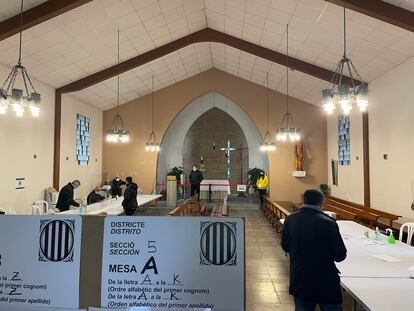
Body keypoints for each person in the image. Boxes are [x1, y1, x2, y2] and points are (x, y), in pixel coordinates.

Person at [281, 189, 347, 311]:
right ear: (322, 203)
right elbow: (340, 255)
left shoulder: (290, 220)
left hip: (300, 277)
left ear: (303, 200)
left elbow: (285, 245)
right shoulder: (329, 223)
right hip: (325, 280)